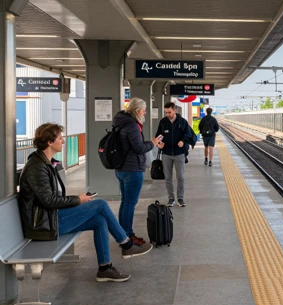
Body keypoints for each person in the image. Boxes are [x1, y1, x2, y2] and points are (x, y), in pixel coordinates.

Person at [17, 123, 152, 282]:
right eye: (60, 138)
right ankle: (126, 244)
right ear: (49, 142)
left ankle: (105, 268)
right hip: (45, 224)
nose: (63, 141)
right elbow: (48, 200)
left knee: (99, 220)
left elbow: (49, 199)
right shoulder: (37, 167)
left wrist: (78, 200)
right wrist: (77, 200)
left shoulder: (45, 163)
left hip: (50, 218)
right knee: (101, 204)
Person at [113, 97, 165, 244]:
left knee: (125, 202)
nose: (145, 112)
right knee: (130, 203)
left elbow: (133, 145)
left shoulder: (122, 122)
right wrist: (153, 143)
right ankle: (127, 236)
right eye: (143, 110)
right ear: (137, 111)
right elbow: (139, 148)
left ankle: (123, 234)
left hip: (122, 168)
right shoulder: (132, 125)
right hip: (132, 169)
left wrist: (148, 143)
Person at [155, 102, 193, 207]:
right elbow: (158, 135)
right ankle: (171, 198)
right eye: (166, 112)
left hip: (179, 153)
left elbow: (188, 134)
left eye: (169, 112)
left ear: (174, 110)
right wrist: (159, 143)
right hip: (166, 153)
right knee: (168, 177)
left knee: (180, 176)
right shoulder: (163, 122)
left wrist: (183, 141)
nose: (168, 114)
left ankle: (180, 198)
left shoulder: (182, 122)